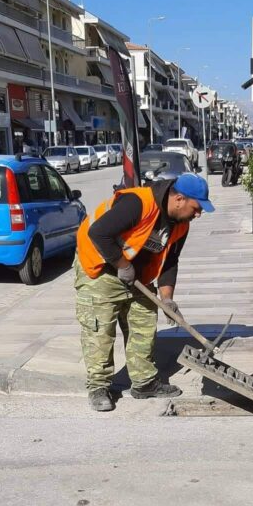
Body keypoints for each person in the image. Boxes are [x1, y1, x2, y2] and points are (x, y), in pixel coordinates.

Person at [74, 172, 214, 412]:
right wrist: (122, 265)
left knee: (144, 322)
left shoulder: (181, 224)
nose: (198, 214)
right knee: (101, 329)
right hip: (100, 267)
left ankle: (144, 383)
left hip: (135, 274)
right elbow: (98, 232)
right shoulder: (138, 203)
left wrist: (167, 299)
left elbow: (170, 260)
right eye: (196, 207)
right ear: (179, 199)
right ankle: (98, 387)